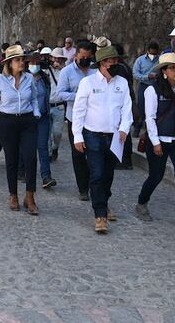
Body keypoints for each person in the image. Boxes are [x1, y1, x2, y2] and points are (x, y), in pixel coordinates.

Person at [136, 53, 175, 231]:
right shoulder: (152, 90)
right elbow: (149, 118)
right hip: (159, 139)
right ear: (164, 71)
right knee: (156, 176)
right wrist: (155, 142)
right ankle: (142, 202)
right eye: (172, 68)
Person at [72, 46, 133, 234]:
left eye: (117, 61)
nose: (115, 64)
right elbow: (79, 110)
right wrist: (78, 135)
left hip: (114, 136)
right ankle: (100, 215)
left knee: (108, 174)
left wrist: (124, 128)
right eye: (111, 61)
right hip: (93, 135)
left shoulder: (121, 83)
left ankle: (104, 202)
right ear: (102, 63)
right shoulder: (88, 83)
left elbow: (127, 108)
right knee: (97, 174)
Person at [0, 45, 41, 214]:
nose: (22, 63)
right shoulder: (0, 80)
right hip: (7, 121)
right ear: (9, 63)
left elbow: (33, 98)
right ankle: (13, 195)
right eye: (17, 60)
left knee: (31, 158)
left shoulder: (29, 78)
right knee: (11, 160)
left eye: (22, 60)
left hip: (27, 121)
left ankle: (30, 196)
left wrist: (36, 114)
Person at [51, 40, 97, 200]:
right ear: (76, 55)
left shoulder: (95, 72)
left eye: (88, 57)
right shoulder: (67, 72)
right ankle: (82, 188)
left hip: (93, 119)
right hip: (74, 117)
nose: (84, 59)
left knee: (94, 152)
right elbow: (61, 93)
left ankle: (94, 184)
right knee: (78, 153)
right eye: (82, 56)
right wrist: (80, 97)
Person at [30, 49, 58, 189]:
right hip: (28, 118)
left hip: (43, 117)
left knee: (43, 147)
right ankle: (24, 171)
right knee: (27, 148)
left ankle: (46, 176)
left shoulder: (44, 79)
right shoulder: (23, 79)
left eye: (37, 63)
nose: (34, 65)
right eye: (32, 63)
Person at [133, 42, 161, 131]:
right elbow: (135, 74)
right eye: (151, 53)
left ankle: (151, 128)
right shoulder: (140, 60)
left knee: (155, 107)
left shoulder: (160, 60)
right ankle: (138, 128)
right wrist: (147, 77)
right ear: (147, 51)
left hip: (157, 86)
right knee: (141, 107)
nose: (153, 55)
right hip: (144, 85)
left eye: (155, 53)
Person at [47, 48, 68, 161]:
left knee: (57, 133)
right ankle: (49, 153)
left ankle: (55, 148)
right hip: (47, 105)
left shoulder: (65, 72)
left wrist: (61, 69)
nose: (56, 60)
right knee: (48, 134)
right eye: (54, 58)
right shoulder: (46, 70)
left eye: (58, 58)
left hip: (59, 106)